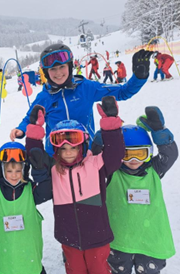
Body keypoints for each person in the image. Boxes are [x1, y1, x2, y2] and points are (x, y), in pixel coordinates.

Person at [31, 96, 124, 273]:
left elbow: (115, 154)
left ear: (83, 145)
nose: (68, 153)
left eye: (73, 148)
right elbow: (35, 155)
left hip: (97, 237)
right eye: (63, 149)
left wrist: (110, 124)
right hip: (70, 239)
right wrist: (35, 130)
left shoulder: (96, 164)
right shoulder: (53, 170)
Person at [9, 43, 153, 156]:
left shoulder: (86, 88)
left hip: (86, 152)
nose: (58, 73)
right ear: (46, 72)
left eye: (61, 67)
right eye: (53, 69)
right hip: (56, 155)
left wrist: (139, 77)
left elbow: (123, 92)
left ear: (70, 66)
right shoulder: (44, 97)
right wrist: (20, 129)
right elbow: (31, 117)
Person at [106, 107, 178, 274]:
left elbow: (170, 154)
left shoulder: (154, 169)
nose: (133, 160)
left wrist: (160, 131)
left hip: (149, 239)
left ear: (149, 153)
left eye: (140, 154)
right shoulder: (112, 173)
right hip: (120, 241)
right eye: (126, 154)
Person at [0, 136, 52, 273]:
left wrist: (40, 171)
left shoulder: (31, 190)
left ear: (25, 170)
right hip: (7, 264)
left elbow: (47, 191)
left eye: (18, 171)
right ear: (1, 170)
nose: (14, 175)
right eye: (9, 171)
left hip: (31, 263)